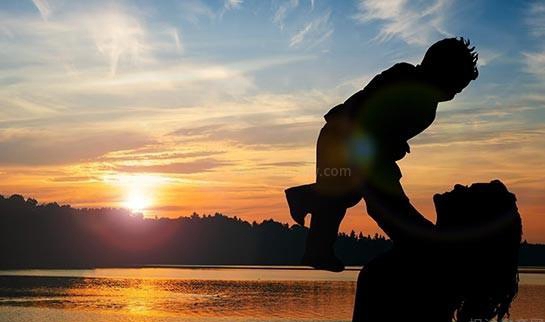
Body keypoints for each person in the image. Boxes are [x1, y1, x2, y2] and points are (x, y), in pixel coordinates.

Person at [285, 37, 479, 271]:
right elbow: (373, 115)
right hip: (346, 139)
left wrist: (393, 144)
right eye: (455, 85)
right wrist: (389, 145)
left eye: (459, 89)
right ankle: (307, 206)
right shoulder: (411, 85)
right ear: (439, 71)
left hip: (346, 139)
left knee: (339, 197)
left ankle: (317, 249)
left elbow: (387, 125)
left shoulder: (418, 94)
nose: (455, 93)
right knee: (355, 196)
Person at [352, 180, 522, 322]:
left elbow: (378, 192)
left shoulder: (428, 251)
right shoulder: (431, 246)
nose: (458, 186)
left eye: (468, 192)